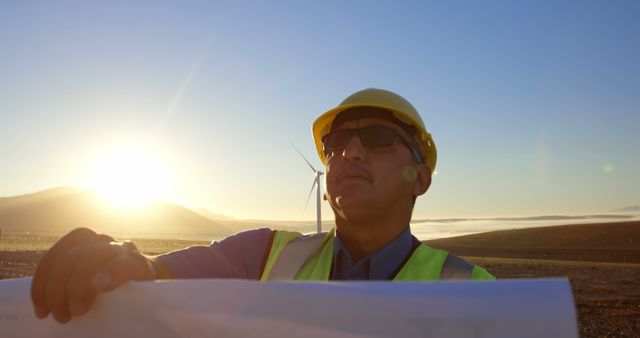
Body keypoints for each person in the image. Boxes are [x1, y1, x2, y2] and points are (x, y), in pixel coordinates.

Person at [31, 88, 494, 324]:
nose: (349, 153)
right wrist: (115, 256)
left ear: (422, 178)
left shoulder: (483, 295)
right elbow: (154, 271)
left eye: (376, 138)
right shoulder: (260, 255)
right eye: (336, 143)